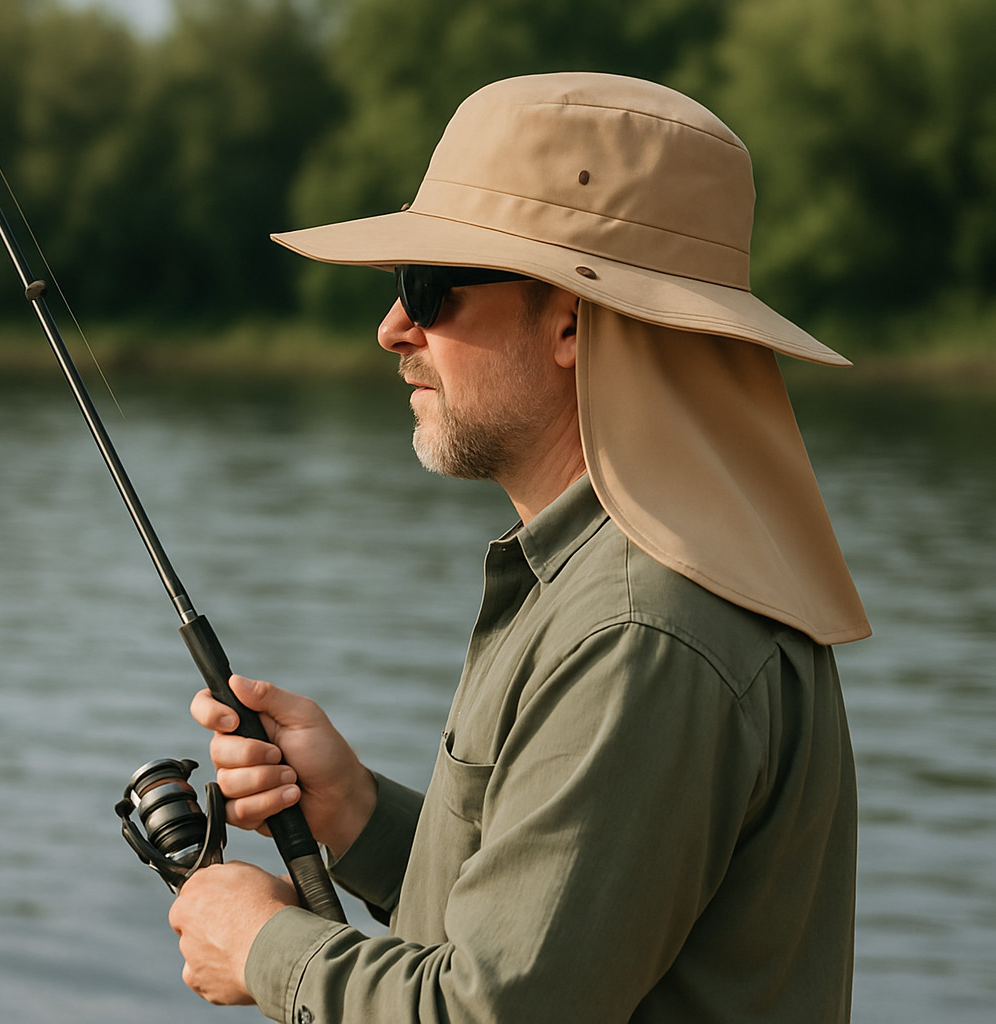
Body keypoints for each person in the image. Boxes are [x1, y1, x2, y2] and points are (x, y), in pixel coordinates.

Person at [168, 72, 871, 1023]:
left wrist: (259, 945)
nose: (392, 329)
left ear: (574, 319)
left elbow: (488, 1011)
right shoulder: (613, 586)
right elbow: (567, 932)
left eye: (429, 287)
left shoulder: (639, 633)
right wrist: (358, 818)